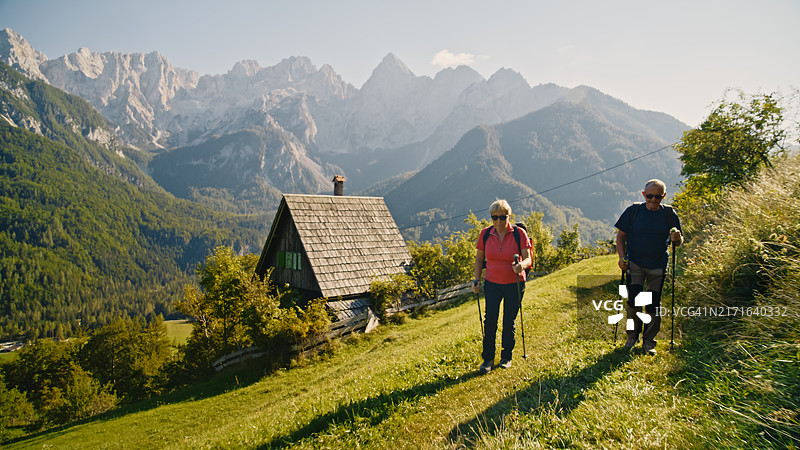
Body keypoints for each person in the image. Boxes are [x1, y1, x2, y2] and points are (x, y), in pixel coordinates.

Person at [615, 179, 683, 355]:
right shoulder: (633, 211)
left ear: (664, 196)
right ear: (644, 194)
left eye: (657, 197)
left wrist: (677, 238)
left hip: (657, 264)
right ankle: (632, 337)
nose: (653, 200)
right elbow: (620, 236)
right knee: (634, 301)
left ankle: (649, 341)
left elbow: (678, 241)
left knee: (653, 303)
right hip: (635, 263)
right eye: (650, 196)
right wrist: (622, 257)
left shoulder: (669, 214)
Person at [472, 199, 532, 373]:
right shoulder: (485, 234)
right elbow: (479, 259)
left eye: (502, 217)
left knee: (508, 321)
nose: (498, 221)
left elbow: (528, 258)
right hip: (492, 284)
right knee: (490, 321)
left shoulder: (519, 234)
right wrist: (477, 279)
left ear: (509, 216)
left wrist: (521, 266)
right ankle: (488, 359)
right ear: (491, 217)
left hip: (514, 283)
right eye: (494, 217)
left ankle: (506, 357)